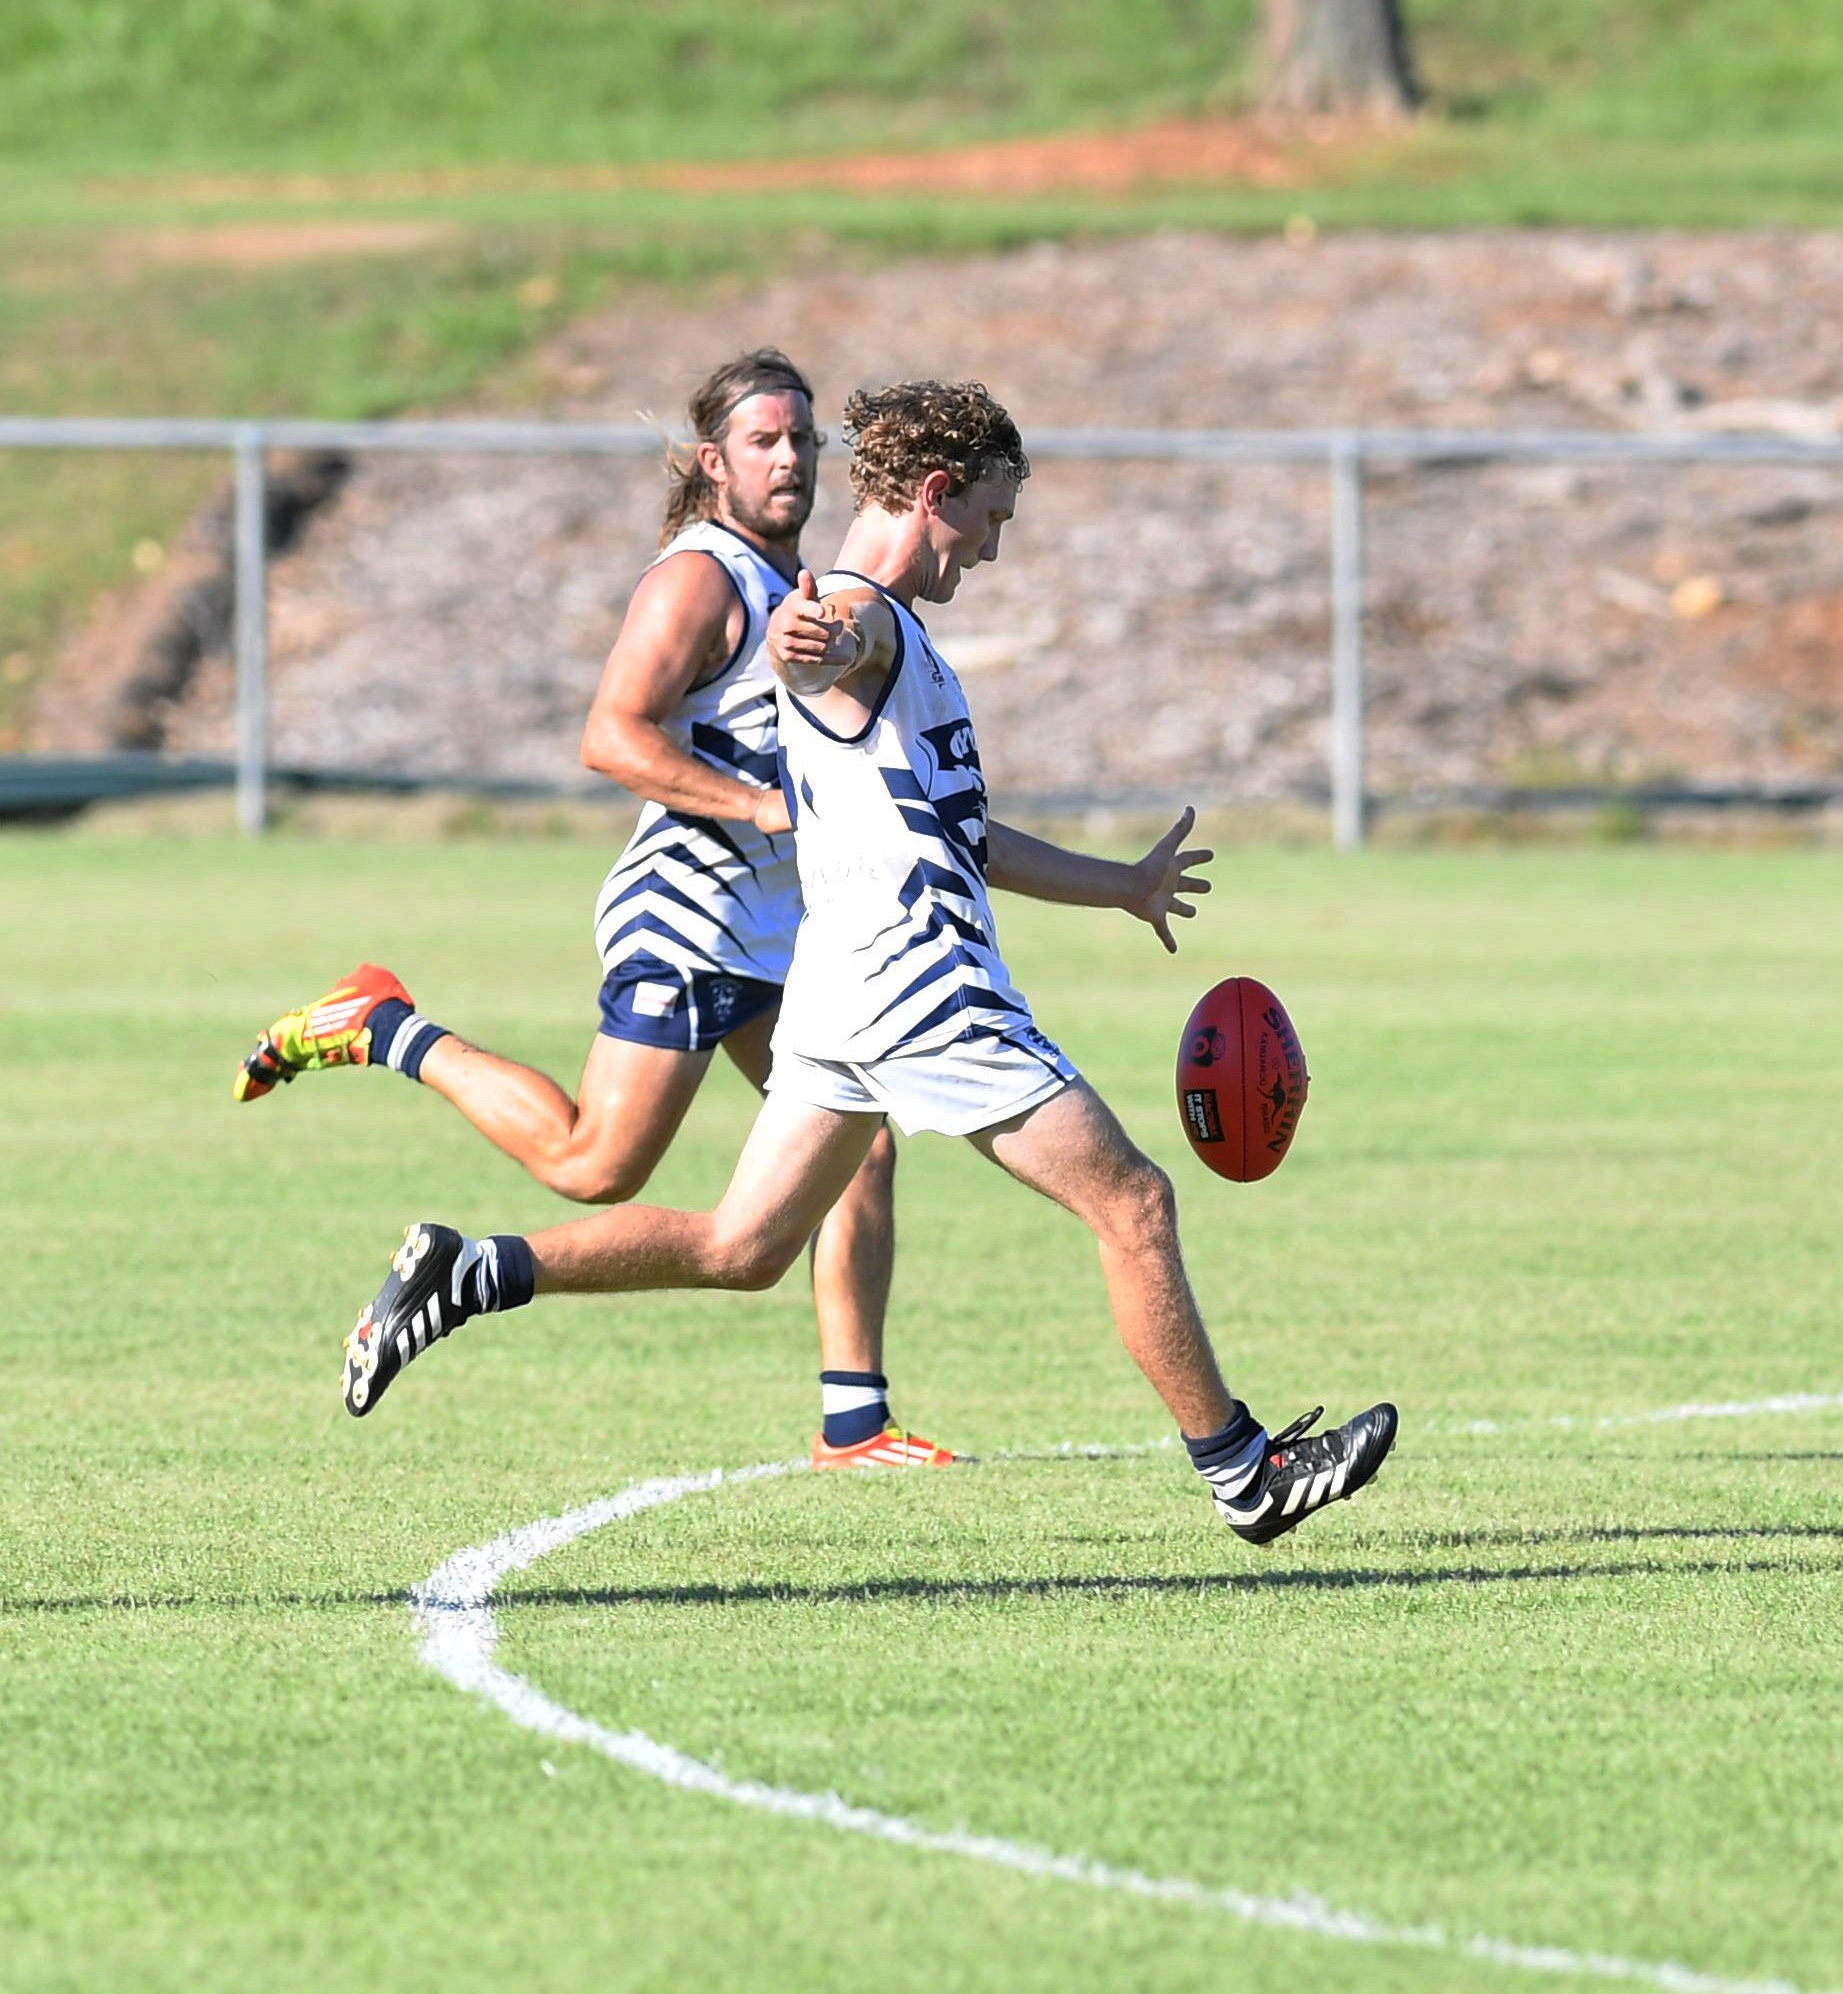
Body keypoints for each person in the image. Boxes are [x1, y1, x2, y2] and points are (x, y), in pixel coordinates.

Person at [335, 378, 1398, 1545]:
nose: (990, 551)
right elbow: (818, 646)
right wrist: (808, 643)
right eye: (988, 521)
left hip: (839, 993)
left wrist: (1122, 886)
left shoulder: (903, 638)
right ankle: (1241, 1469)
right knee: (1133, 1201)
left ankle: (470, 1269)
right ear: (934, 494)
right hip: (920, 990)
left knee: (741, 1249)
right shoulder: (860, 616)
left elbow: (963, 832)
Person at [231, 348, 954, 1471]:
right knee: (590, 1164)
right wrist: (762, 808)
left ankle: (852, 1422)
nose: (791, 460)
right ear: (713, 462)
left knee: (857, 1146)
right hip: (689, 915)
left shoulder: (790, 584)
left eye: (803, 439)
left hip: (775, 930)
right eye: (765, 440)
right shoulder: (697, 580)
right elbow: (611, 734)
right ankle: (381, 1026)